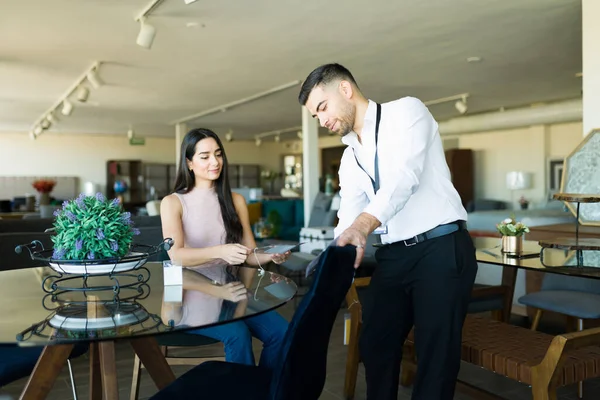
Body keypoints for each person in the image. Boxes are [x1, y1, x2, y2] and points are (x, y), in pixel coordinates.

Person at [298, 63, 478, 400]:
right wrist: (332, 256)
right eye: (315, 117)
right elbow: (348, 216)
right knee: (375, 341)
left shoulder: (408, 111)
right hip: (396, 256)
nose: (322, 121)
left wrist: (363, 227)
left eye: (322, 108)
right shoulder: (350, 158)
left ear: (345, 90)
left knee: (434, 356)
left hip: (440, 247)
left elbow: (403, 180)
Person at [160, 128, 291, 369]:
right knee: (237, 334)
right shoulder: (172, 203)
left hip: (230, 289)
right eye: (205, 156)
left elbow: (249, 255)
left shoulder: (236, 200)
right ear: (189, 163)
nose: (215, 162)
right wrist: (221, 251)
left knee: (283, 333)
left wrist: (269, 255)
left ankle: (265, 389)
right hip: (189, 290)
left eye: (218, 154)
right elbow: (176, 256)